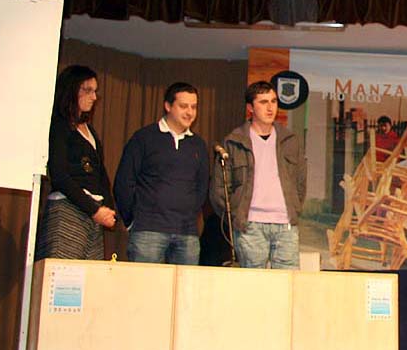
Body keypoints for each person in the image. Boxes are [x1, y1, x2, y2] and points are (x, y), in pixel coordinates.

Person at [210, 81, 307, 269]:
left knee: (288, 281)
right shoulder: (234, 141)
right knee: (253, 282)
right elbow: (219, 189)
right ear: (250, 108)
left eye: (273, 101)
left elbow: (300, 182)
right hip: (250, 225)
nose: (270, 107)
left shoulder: (290, 140)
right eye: (263, 102)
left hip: (285, 224)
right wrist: (237, 215)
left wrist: (294, 208)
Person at [114, 82, 209, 265]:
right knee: (146, 282)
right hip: (148, 230)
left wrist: (189, 215)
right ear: (168, 106)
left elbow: (202, 187)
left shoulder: (198, 144)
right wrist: (131, 221)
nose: (190, 112)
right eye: (183, 106)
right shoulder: (144, 138)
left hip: (187, 233)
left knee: (186, 284)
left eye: (194, 107)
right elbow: (124, 182)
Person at [36, 65, 116, 260]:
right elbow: (59, 176)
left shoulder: (90, 131)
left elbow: (100, 174)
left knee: (88, 275)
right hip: (68, 210)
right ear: (71, 90)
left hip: (93, 214)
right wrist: (94, 209)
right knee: (65, 274)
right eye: (87, 90)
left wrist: (107, 208)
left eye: (95, 91)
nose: (94, 97)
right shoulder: (59, 126)